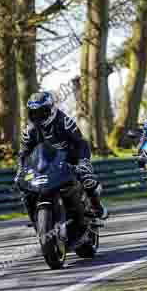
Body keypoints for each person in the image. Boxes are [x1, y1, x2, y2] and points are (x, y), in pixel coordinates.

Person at [16, 91, 108, 219]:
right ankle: (34, 218)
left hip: (70, 160)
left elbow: (80, 143)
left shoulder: (64, 122)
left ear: (52, 109)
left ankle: (96, 206)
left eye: (43, 111)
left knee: (87, 179)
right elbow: (24, 153)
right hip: (44, 165)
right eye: (34, 113)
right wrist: (21, 170)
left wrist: (83, 162)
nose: (39, 116)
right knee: (25, 189)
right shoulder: (29, 131)